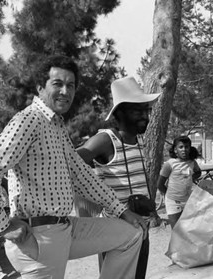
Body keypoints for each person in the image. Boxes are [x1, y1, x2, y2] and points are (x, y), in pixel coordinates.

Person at [0, 55, 145, 279]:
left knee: (130, 234)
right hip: (39, 236)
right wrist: (2, 225)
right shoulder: (29, 120)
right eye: (58, 84)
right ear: (40, 87)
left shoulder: (55, 124)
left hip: (65, 228)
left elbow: (82, 176)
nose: (65, 91)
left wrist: (122, 211)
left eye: (70, 85)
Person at [76, 76, 160, 279]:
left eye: (146, 110)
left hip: (141, 228)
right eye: (136, 111)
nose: (144, 116)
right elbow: (74, 160)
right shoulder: (106, 140)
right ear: (119, 113)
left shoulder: (138, 141)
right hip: (116, 232)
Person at [157, 136, 201, 228]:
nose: (184, 149)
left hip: (188, 201)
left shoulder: (192, 162)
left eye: (186, 147)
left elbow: (198, 172)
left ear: (190, 148)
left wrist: (191, 178)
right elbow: (160, 184)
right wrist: (169, 195)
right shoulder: (170, 164)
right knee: (176, 231)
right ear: (175, 150)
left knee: (188, 230)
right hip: (173, 203)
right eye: (181, 147)